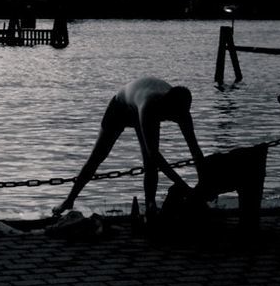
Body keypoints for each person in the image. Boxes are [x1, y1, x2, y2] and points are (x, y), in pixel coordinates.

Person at [54, 77, 206, 221]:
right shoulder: (150, 105)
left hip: (139, 102)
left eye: (179, 116)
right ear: (166, 106)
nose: (174, 119)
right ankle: (69, 200)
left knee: (149, 163)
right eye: (172, 116)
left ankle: (150, 206)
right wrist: (185, 187)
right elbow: (154, 154)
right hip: (120, 108)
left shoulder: (182, 111)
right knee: (98, 156)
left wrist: (203, 185)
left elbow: (195, 150)